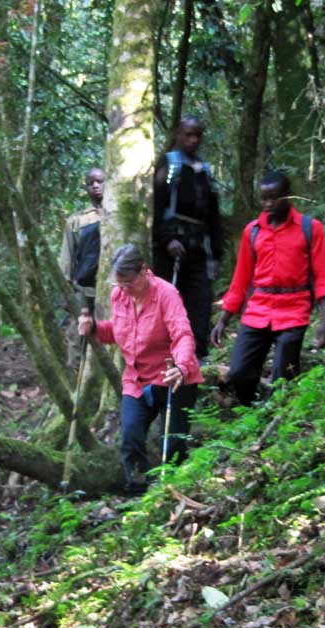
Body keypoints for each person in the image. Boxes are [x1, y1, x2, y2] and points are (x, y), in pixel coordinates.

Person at [78, 244, 202, 493]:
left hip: (172, 378)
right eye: (119, 283)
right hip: (136, 380)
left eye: (129, 283)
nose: (124, 289)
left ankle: (175, 492)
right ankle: (140, 495)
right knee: (130, 440)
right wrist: (93, 328)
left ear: (144, 271)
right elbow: (118, 330)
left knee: (174, 445)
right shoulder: (119, 296)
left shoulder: (167, 294)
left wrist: (181, 365)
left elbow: (182, 333)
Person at [210, 170, 325, 406]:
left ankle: (278, 417)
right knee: (238, 372)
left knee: (283, 376)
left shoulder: (310, 229)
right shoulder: (253, 231)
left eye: (273, 198)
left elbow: (322, 278)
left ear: (287, 196)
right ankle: (252, 411)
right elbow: (240, 279)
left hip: (294, 311)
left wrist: (324, 322)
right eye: (264, 198)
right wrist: (223, 320)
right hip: (258, 310)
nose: (268, 204)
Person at [152, 115, 222, 360]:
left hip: (198, 249)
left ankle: (197, 359)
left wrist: (216, 254)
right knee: (168, 304)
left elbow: (213, 216)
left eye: (197, 135)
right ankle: (164, 358)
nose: (193, 140)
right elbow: (156, 207)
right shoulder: (168, 165)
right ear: (179, 135)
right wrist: (166, 239)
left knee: (201, 304)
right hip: (170, 251)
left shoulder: (205, 170)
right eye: (188, 135)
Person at [59, 167, 106, 362]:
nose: (95, 186)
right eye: (90, 183)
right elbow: (67, 258)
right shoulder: (77, 221)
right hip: (84, 290)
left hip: (113, 291)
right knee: (76, 337)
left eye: (100, 181)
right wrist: (66, 291)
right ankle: (77, 379)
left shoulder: (119, 216)